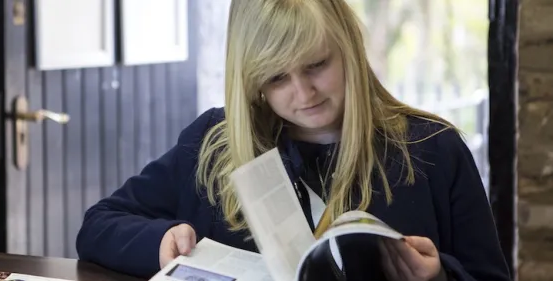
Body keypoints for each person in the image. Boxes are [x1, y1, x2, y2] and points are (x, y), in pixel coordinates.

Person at [76, 0, 511, 280]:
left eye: (317, 64)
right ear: (252, 83)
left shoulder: (433, 148)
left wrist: (440, 277)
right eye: (278, 77)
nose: (304, 93)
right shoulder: (213, 143)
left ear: (349, 48)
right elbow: (98, 224)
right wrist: (160, 243)